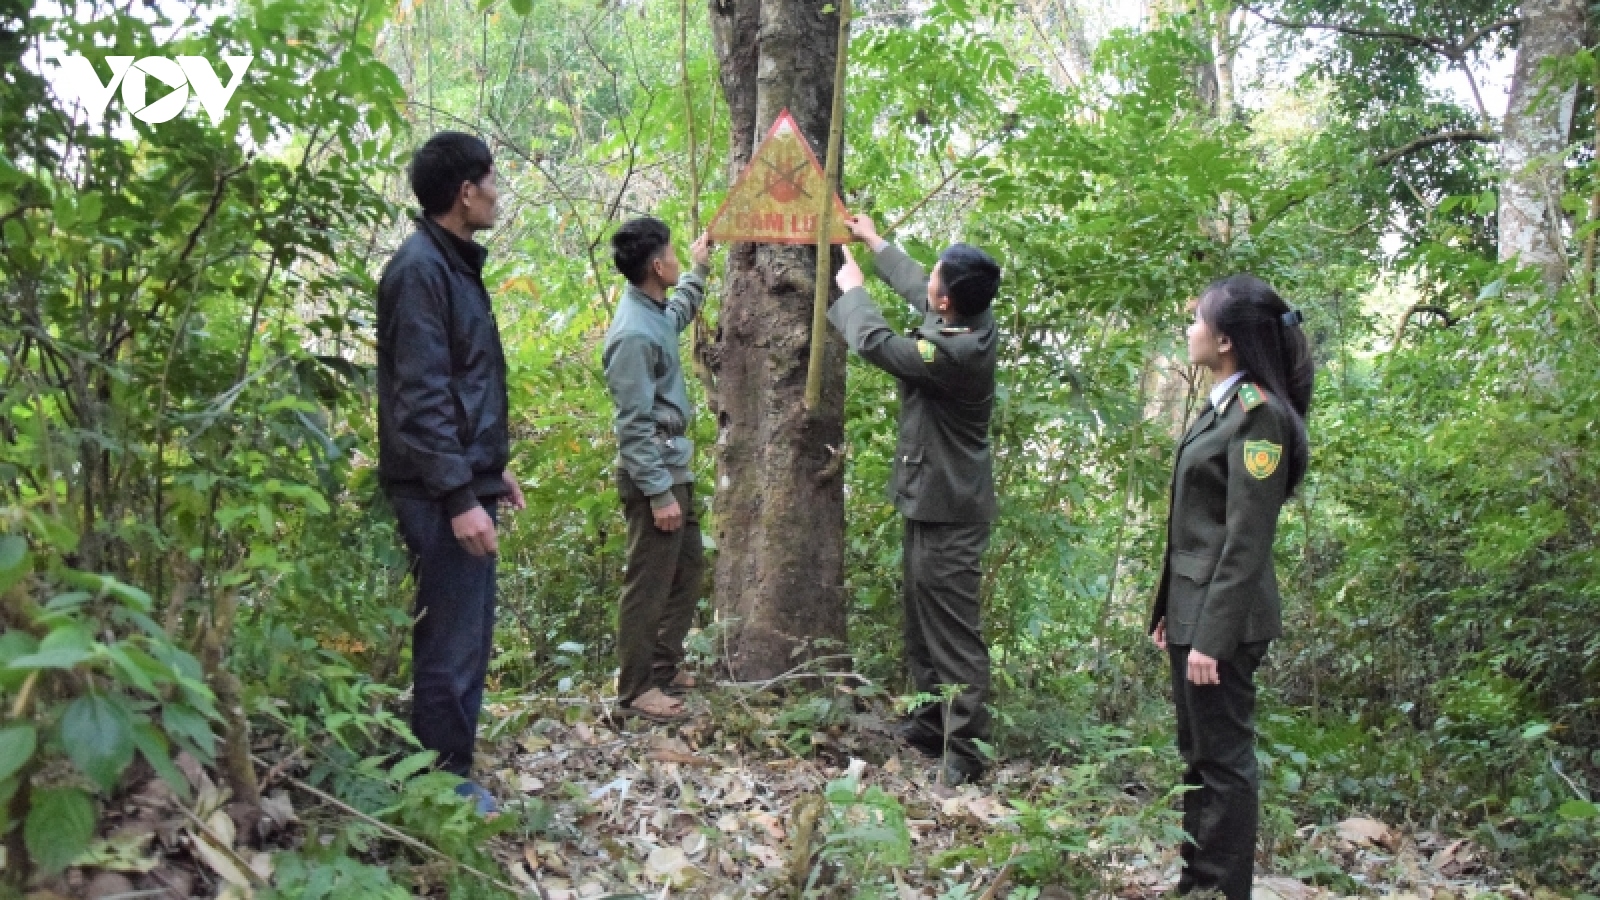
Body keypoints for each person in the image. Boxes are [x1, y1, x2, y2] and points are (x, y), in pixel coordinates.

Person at [1149, 275, 1314, 900]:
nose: (1188, 329)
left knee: (1224, 762)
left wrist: (1211, 640)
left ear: (1223, 340)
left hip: (1226, 624)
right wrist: (1172, 610)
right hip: (1195, 612)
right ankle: (1198, 882)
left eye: (1196, 320)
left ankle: (1223, 889)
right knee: (1199, 755)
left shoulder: (1258, 415)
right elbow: (1195, 528)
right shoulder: (1221, 404)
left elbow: (1246, 543)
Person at [376, 131, 523, 816]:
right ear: (465, 192)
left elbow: (466, 386)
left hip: (462, 484)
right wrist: (461, 494)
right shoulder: (420, 270)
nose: (499, 190)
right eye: (492, 178)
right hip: (437, 494)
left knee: (467, 633)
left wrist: (491, 476)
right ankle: (439, 783)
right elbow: (422, 395)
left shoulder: (453, 265)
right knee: (450, 638)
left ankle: (451, 765)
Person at [831, 214, 1002, 787]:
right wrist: (875, 243)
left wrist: (853, 290)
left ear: (947, 302)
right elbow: (919, 292)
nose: (926, 285)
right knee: (921, 619)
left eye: (935, 281)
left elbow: (879, 345)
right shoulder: (967, 318)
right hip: (931, 499)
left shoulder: (955, 353)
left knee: (952, 629)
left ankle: (966, 750)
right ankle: (930, 723)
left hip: (951, 507)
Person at [602, 217, 713, 723]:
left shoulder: (653, 312)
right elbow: (632, 423)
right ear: (655, 265)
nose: (674, 258)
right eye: (671, 253)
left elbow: (678, 315)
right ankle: (635, 689)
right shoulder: (631, 333)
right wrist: (658, 492)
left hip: (675, 468)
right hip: (655, 476)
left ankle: (664, 666)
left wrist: (699, 269)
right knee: (648, 583)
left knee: (688, 569)